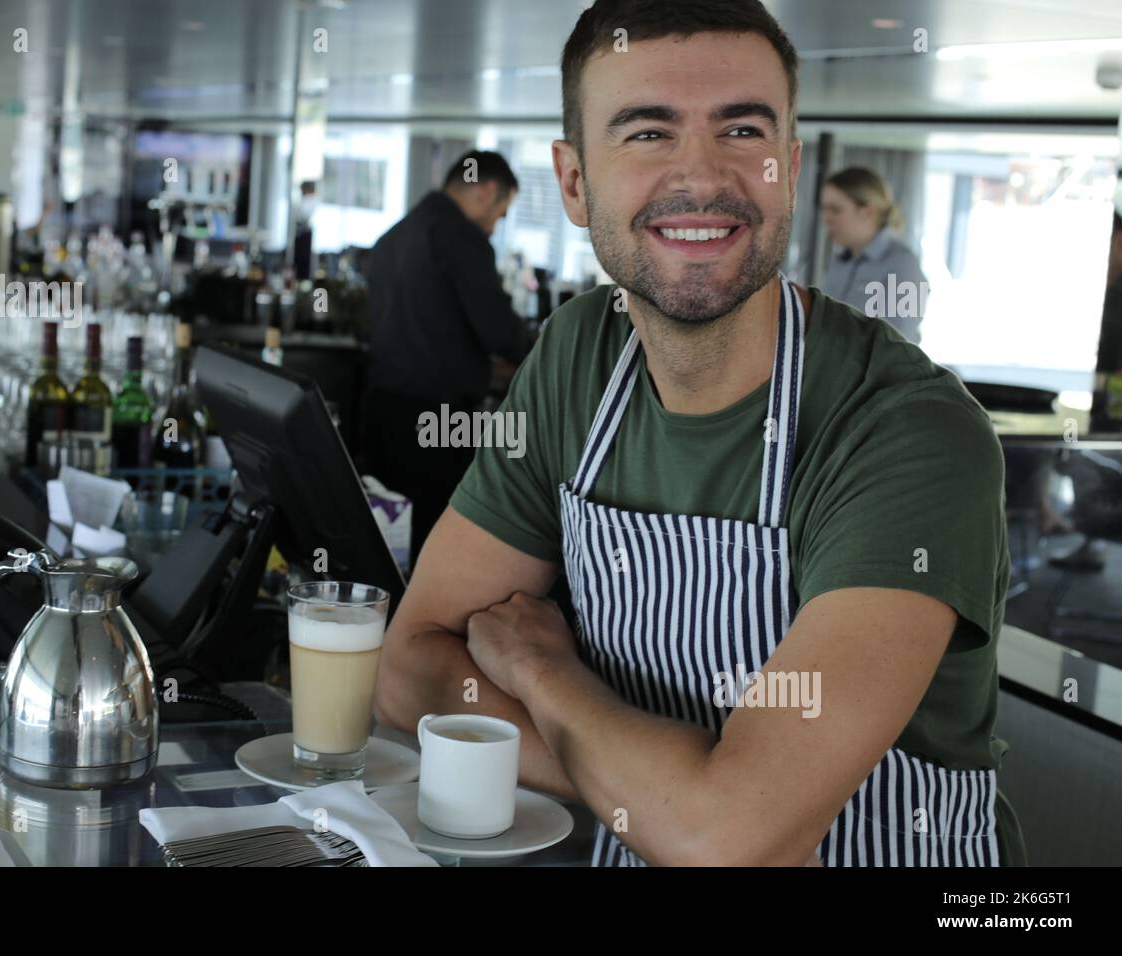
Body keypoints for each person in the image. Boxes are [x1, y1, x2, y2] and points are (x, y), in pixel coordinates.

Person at [375, 0, 1025, 867]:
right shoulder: (577, 355)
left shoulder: (907, 432)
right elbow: (409, 673)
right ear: (574, 183)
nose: (702, 176)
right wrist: (668, 796)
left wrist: (543, 673)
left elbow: (731, 845)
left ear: (790, 168)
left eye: (742, 131)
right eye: (648, 133)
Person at [362, 149, 530, 561]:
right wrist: (550, 352)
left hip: (379, 412)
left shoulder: (394, 236)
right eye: (500, 213)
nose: (494, 226)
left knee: (385, 539)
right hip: (435, 423)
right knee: (434, 544)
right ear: (486, 191)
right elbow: (499, 331)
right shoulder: (461, 237)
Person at [820, 166, 929, 344]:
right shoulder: (840, 261)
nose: (826, 219)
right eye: (824, 209)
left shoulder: (903, 264)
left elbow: (898, 345)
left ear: (867, 211)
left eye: (835, 210)